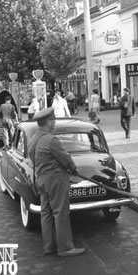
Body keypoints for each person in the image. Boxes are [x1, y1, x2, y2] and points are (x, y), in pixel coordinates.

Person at [28, 107, 85, 257]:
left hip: (41, 179)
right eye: (53, 120)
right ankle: (65, 248)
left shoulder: (33, 139)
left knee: (46, 213)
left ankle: (49, 247)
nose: (54, 123)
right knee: (61, 213)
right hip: (55, 180)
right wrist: (73, 169)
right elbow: (65, 158)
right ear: (47, 122)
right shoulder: (51, 139)